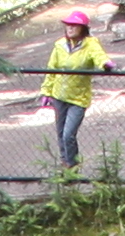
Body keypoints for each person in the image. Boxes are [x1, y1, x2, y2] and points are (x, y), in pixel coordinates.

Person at [40, 10, 111, 174]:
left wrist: (105, 64)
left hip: (78, 98)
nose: (70, 28)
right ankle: (65, 165)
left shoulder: (90, 44)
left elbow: (99, 56)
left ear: (83, 28)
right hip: (59, 96)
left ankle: (73, 166)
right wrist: (47, 91)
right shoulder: (59, 45)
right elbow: (52, 69)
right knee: (60, 134)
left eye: (75, 25)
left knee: (68, 135)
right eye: (68, 25)